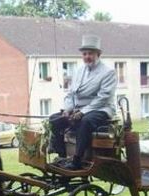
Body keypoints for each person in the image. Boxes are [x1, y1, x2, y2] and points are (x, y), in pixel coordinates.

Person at [49, 34, 117, 170]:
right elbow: (70, 94)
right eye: (84, 54)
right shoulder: (79, 71)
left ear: (98, 54)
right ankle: (62, 156)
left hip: (101, 109)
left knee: (85, 121)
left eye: (90, 53)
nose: (87, 57)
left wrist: (82, 112)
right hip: (78, 109)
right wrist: (68, 110)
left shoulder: (108, 72)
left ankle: (77, 160)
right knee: (54, 119)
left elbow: (103, 97)